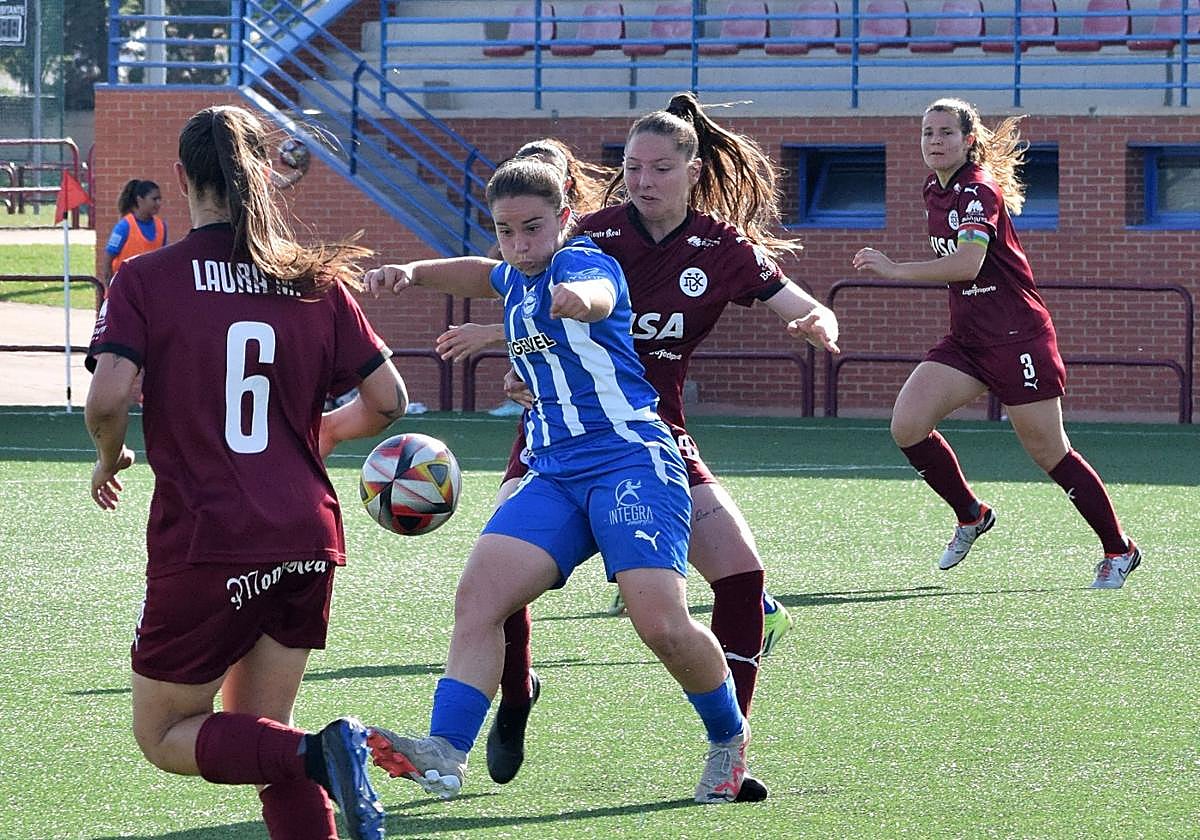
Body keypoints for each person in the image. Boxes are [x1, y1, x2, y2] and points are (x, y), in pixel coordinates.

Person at [432, 96, 841, 796]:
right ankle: (511, 698)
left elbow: (801, 303)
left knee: (739, 576)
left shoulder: (723, 248)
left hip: (651, 433)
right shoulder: (590, 233)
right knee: (497, 581)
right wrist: (514, 351)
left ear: (692, 169)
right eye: (631, 168)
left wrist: (820, 322)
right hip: (556, 429)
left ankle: (731, 745)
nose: (644, 180)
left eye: (659, 167)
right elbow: (530, 288)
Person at [363, 157, 755, 804]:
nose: (519, 245)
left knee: (659, 624)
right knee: (479, 597)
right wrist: (411, 272)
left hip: (630, 457)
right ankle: (445, 752)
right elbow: (478, 271)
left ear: (565, 221)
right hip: (553, 468)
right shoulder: (516, 275)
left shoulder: (580, 265)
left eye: (533, 229)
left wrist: (580, 302)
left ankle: (727, 740)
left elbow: (597, 292)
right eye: (506, 230)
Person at [85, 104, 411, 840]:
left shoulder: (147, 280)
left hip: (210, 536)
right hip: (305, 531)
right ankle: (317, 757)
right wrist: (320, 435)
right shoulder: (314, 282)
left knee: (166, 735)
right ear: (262, 175)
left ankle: (326, 753)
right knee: (265, 740)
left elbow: (106, 400)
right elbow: (388, 399)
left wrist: (110, 457)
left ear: (181, 179)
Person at [851, 97, 1140, 589]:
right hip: (968, 340)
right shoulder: (932, 188)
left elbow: (968, 265)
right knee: (907, 425)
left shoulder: (979, 191)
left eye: (945, 133)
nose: (934, 141)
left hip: (1018, 338)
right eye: (927, 133)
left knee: (1049, 452)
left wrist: (896, 269)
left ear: (968, 140)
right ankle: (971, 514)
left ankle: (1120, 549)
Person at [102, 179, 167, 287]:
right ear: (140, 200)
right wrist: (111, 291)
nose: (158, 203)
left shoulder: (161, 226)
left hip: (149, 289)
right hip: (125, 288)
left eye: (160, 199)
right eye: (154, 199)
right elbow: (108, 261)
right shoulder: (124, 226)